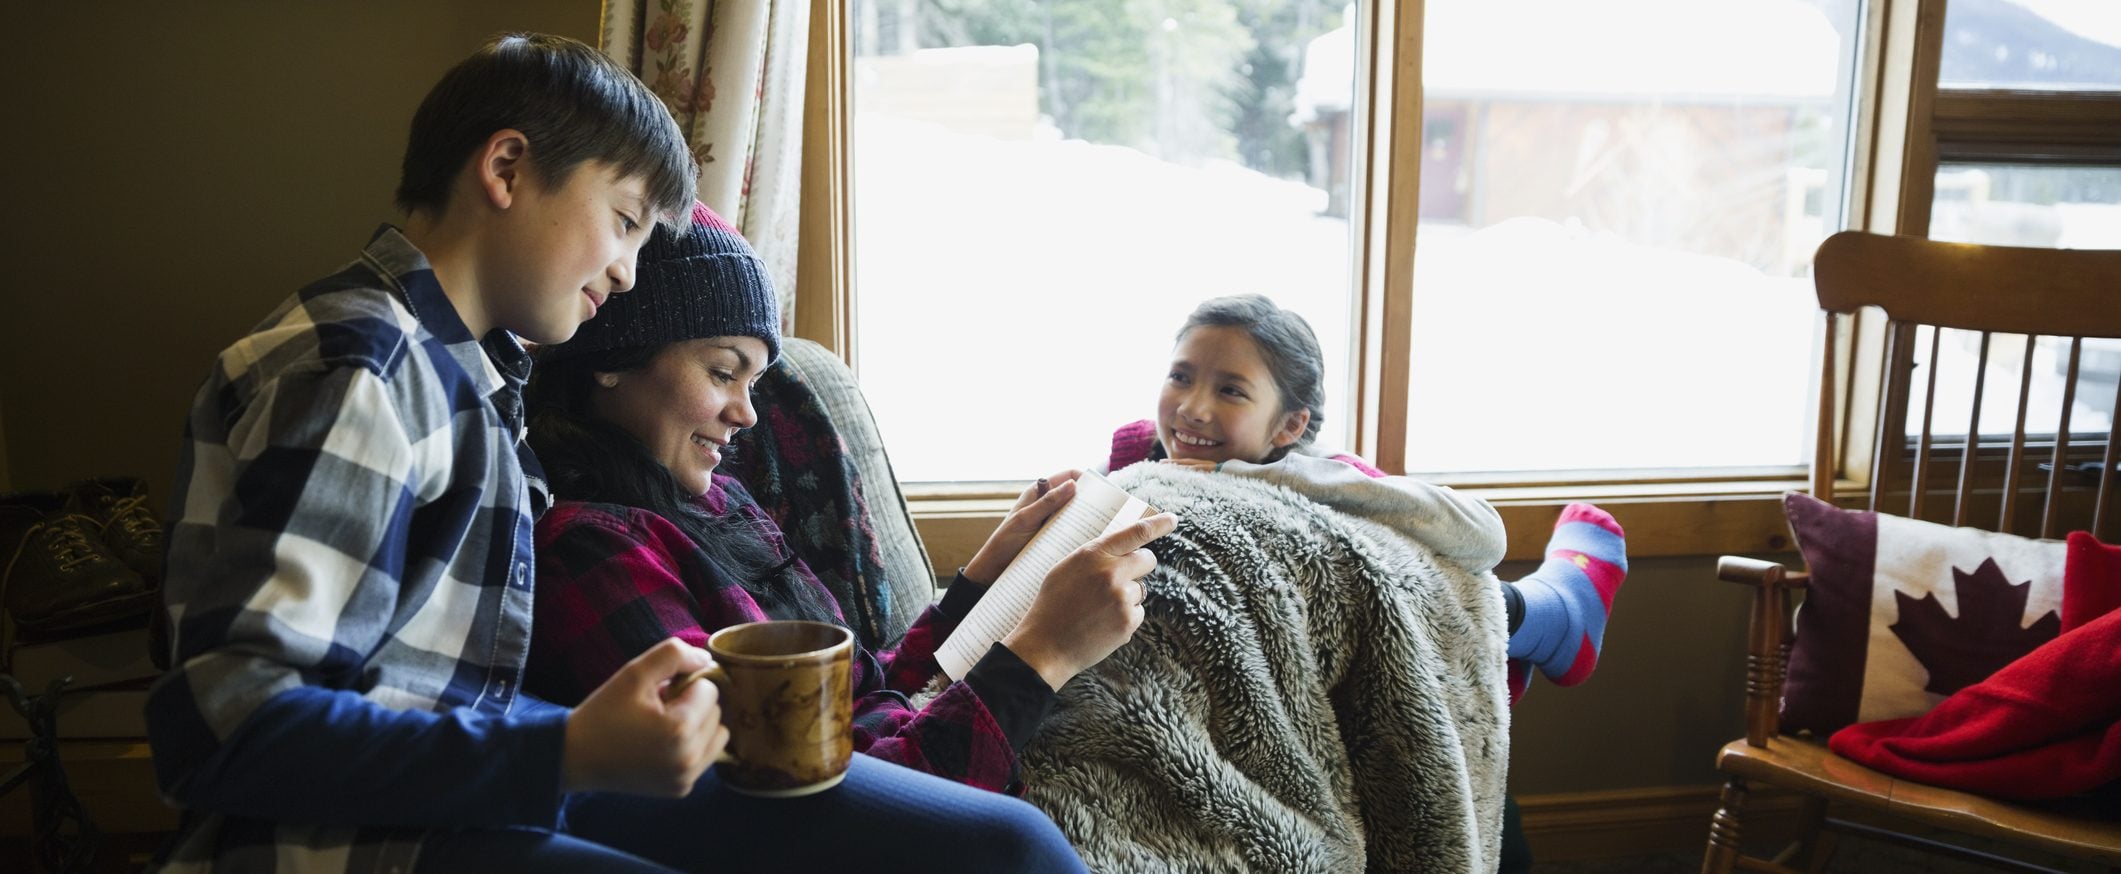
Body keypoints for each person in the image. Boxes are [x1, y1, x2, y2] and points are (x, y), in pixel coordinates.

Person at [146, 33, 1081, 873]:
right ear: (507, 167)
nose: (630, 270)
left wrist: (600, 740)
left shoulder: (471, 373)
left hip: (461, 786)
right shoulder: (361, 369)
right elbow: (231, 730)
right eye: (626, 219)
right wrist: (568, 753)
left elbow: (432, 693)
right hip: (353, 842)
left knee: (1008, 844)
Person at [524, 201, 1179, 799]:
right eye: (723, 372)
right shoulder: (591, 551)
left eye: (753, 383)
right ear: (611, 357)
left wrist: (981, 581)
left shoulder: (720, 503)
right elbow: (828, 813)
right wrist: (1044, 653)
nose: (746, 416)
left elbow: (867, 694)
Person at [1101, 293, 1628, 702]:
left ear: (1289, 425)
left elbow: (1484, 533)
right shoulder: (1139, 456)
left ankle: (1553, 616)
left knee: (1387, 564)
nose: (1192, 408)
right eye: (1180, 377)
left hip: (1411, 662)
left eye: (1231, 390)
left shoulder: (1322, 474)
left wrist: (1248, 472)